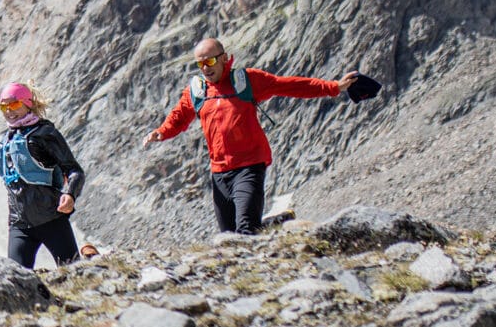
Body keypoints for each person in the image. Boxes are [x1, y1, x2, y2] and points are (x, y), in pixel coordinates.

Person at [142, 38, 358, 235]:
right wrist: (161, 132)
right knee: (229, 238)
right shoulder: (197, 91)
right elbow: (179, 117)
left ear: (224, 58)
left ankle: (264, 229)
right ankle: (277, 223)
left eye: (209, 62)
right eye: (200, 64)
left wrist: (333, 87)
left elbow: (288, 85)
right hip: (219, 173)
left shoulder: (246, 80)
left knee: (245, 232)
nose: (205, 69)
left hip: (249, 166)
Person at [0, 82, 87, 269]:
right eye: (4, 106)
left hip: (51, 218)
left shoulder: (45, 134)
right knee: (16, 280)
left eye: (14, 105)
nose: (9, 111)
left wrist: (70, 194)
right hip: (19, 224)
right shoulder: (9, 139)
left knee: (74, 272)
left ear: (28, 104)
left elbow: (74, 170)